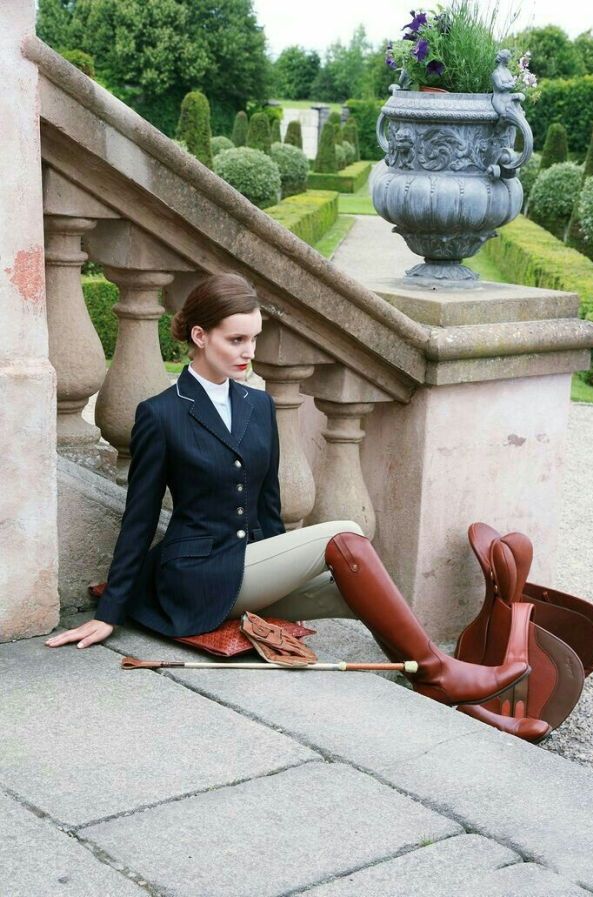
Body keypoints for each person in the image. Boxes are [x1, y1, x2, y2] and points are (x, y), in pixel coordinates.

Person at [47, 273, 528, 706]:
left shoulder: (259, 406)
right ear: (199, 335)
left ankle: (451, 692)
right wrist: (109, 612)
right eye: (236, 340)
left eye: (253, 339)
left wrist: (281, 577)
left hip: (253, 571)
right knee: (341, 532)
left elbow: (268, 509)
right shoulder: (161, 413)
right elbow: (140, 518)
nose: (248, 352)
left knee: (360, 593)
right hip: (196, 575)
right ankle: (444, 674)